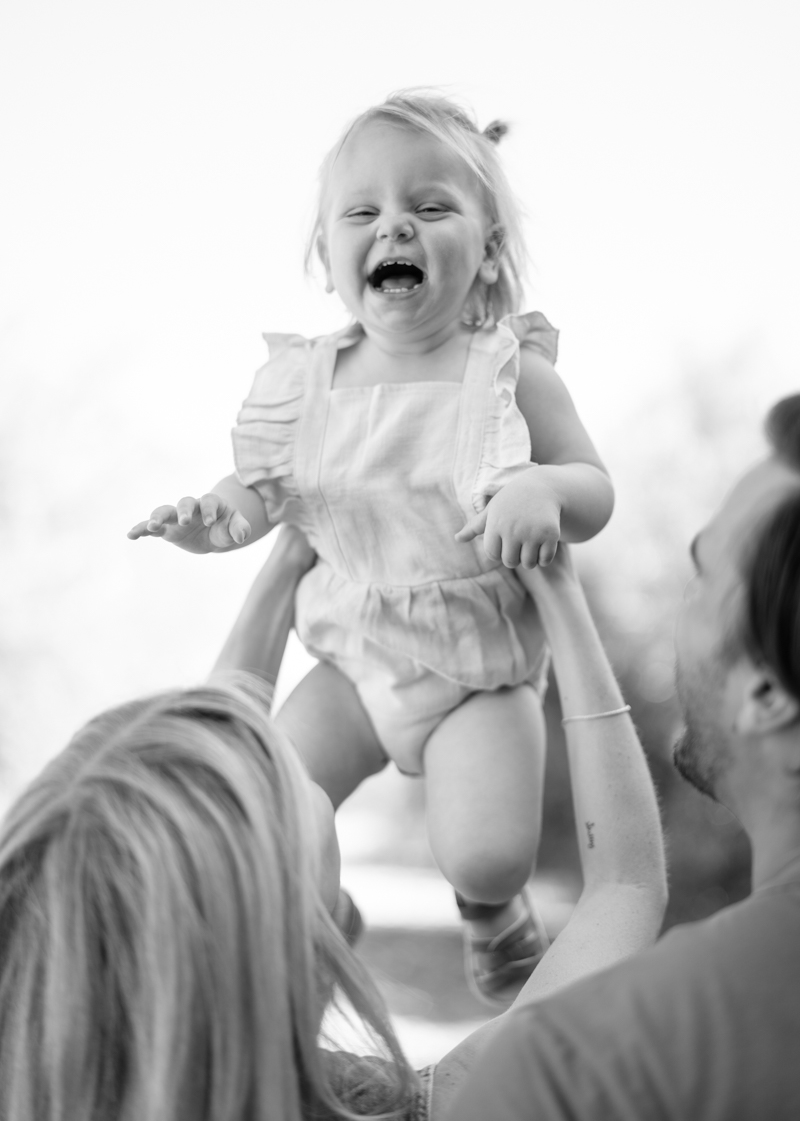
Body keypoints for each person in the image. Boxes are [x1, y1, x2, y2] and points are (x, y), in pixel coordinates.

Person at [127, 90, 615, 1003]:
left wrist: (545, 487)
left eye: (429, 208)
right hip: (354, 657)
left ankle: (490, 905)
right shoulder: (304, 385)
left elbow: (594, 489)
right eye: (364, 212)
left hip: (480, 665)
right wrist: (211, 522)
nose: (395, 225)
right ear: (327, 253)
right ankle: (323, 909)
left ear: (488, 249)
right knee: (266, 799)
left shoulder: (510, 374)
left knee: (485, 846)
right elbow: (260, 498)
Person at [0, 526, 666, 1120]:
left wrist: (292, 550)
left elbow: (209, 775)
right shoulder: (417, 1108)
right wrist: (560, 600)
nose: (282, 755)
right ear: (290, 922)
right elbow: (626, 888)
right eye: (275, 782)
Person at [446, 393, 800, 1121]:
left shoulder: (572, 1072)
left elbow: (626, 890)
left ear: (766, 691)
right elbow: (628, 885)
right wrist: (560, 596)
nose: (679, 608)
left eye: (700, 576)